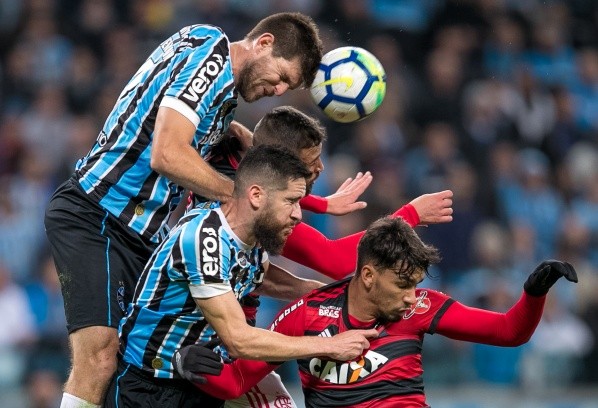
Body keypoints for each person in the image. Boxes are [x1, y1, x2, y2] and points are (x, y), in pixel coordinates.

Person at [43, 12, 323, 408]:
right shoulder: (212, 56)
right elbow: (167, 153)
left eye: (287, 87)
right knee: (101, 354)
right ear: (264, 43)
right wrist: (239, 195)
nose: (276, 90)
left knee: (165, 353)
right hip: (98, 212)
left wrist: (314, 201)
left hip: (140, 232)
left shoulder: (218, 88)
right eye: (281, 76)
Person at [175, 216, 578, 408]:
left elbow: (509, 332)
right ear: (368, 275)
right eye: (403, 284)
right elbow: (237, 382)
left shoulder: (421, 308)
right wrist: (193, 365)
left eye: (416, 284)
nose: (411, 296)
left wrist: (533, 293)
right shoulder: (305, 315)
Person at [104, 145, 378, 408]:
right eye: (291, 201)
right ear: (256, 195)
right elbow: (238, 338)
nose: (297, 215)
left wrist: (336, 297)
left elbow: (264, 277)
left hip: (202, 377)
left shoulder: (249, 236)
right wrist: (328, 345)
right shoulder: (204, 240)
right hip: (150, 385)